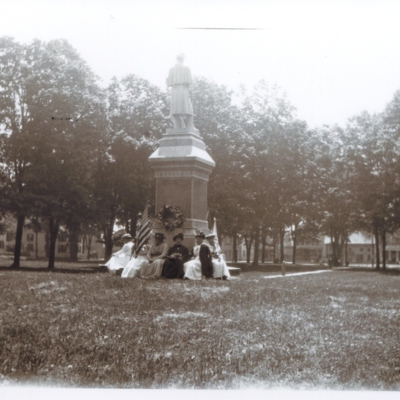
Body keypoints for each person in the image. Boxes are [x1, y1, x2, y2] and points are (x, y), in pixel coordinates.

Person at [166, 53, 194, 129]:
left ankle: (177, 125)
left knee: (176, 107)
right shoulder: (186, 69)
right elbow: (189, 82)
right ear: (183, 59)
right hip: (183, 89)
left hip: (174, 90)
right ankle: (190, 126)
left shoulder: (171, 70)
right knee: (188, 108)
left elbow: (168, 82)